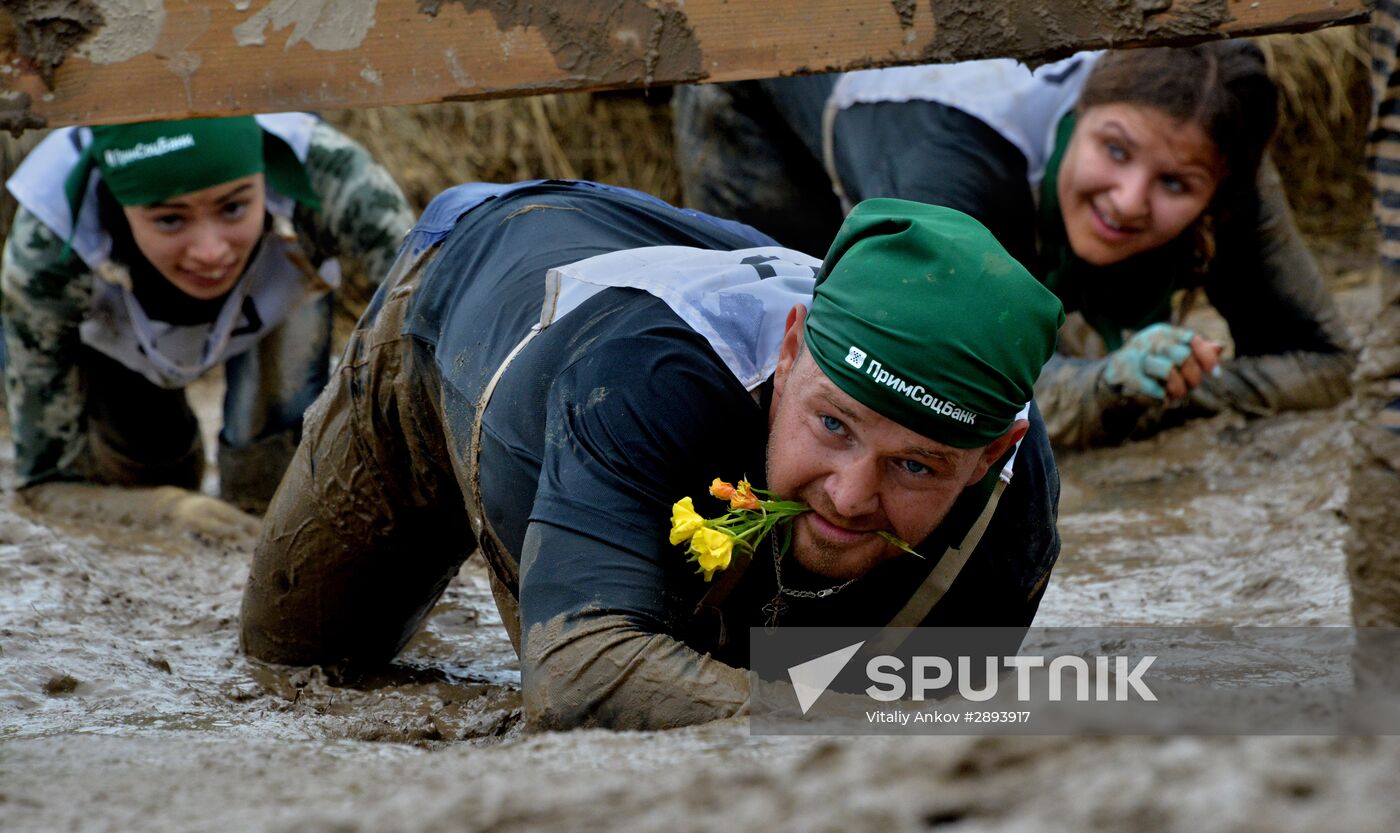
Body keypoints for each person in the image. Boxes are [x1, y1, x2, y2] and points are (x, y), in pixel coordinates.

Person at [239, 179, 1065, 731]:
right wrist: (832, 721)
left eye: (915, 465)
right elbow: (579, 677)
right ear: (788, 356)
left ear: (997, 451)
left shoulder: (1012, 516)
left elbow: (927, 730)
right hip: (462, 308)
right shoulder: (646, 379)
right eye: (834, 427)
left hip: (675, 304)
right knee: (293, 674)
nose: (850, 496)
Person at [673, 41, 1355, 448]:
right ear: (1082, 113)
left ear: (1220, 188)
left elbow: (1329, 362)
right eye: (1113, 150)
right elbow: (949, 396)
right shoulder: (949, 162)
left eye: (1176, 183)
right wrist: (1111, 389)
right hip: (771, 109)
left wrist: (1176, 392)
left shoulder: (1206, 131)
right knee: (807, 371)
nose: (1128, 197)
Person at [2, 114, 414, 526]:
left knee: (281, 489)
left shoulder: (331, 173)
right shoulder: (47, 242)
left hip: (275, 291)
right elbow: (44, 483)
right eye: (170, 219)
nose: (211, 251)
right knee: (147, 467)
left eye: (234, 207)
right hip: (118, 326)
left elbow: (428, 321)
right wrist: (168, 511)